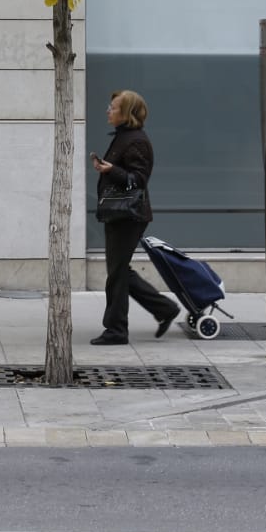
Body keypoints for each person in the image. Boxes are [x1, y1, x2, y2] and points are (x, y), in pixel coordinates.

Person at [90, 89, 179, 346]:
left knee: (116, 274)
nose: (108, 110)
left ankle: (116, 330)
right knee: (119, 272)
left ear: (126, 113)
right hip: (119, 216)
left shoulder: (136, 140)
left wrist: (112, 171)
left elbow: (138, 181)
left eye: (114, 107)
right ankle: (164, 309)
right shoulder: (123, 137)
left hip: (128, 217)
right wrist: (109, 169)